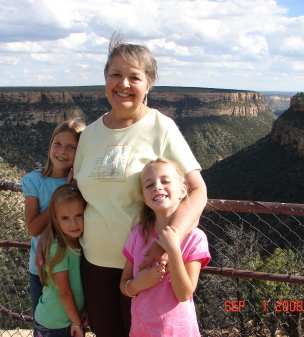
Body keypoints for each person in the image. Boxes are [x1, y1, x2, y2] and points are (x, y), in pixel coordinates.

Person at [72, 32, 208, 337]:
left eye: (134, 77)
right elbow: (75, 195)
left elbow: (197, 191)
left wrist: (167, 242)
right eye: (115, 75)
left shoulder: (161, 127)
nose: (123, 84)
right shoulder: (90, 134)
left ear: (148, 84)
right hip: (94, 262)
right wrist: (48, 239)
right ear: (104, 79)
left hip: (145, 267)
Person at [120, 158, 211, 337]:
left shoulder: (195, 238)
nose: (157, 187)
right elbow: (124, 284)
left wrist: (173, 250)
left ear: (183, 190)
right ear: (144, 199)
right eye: (149, 185)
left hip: (178, 331)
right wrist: (137, 285)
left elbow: (184, 293)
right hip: (142, 329)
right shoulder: (138, 235)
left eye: (166, 181)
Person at [21, 119, 86, 335]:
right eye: (57, 144)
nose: (62, 151)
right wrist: (64, 192)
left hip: (77, 266)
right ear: (49, 144)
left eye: (71, 147)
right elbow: (33, 228)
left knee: (76, 322)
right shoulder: (34, 180)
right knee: (47, 323)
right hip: (41, 269)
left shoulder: (83, 182)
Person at [34, 184, 88, 337]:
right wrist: (76, 322)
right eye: (65, 218)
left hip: (68, 319)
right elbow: (63, 291)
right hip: (53, 324)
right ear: (56, 220)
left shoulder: (80, 242)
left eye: (79, 215)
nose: (74, 224)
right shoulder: (57, 248)